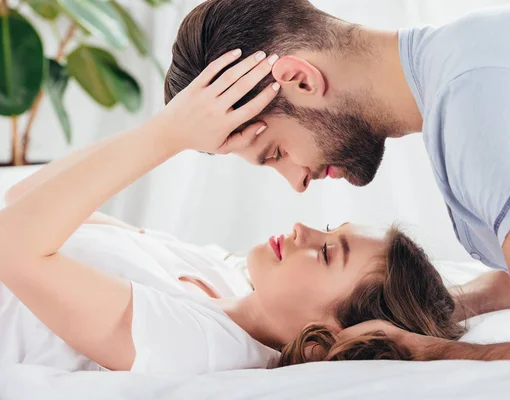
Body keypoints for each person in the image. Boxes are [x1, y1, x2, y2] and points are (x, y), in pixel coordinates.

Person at [164, 0, 510, 367]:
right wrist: (434, 303)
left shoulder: (479, 107)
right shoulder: (469, 69)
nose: (296, 182)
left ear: (301, 80)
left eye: (276, 152)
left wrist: (424, 348)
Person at [0, 51, 465, 376]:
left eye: (326, 254)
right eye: (326, 231)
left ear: (328, 338)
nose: (301, 228)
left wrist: (168, 137)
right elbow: (25, 197)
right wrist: (165, 130)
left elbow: (14, 247)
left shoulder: (203, 346)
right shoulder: (222, 278)